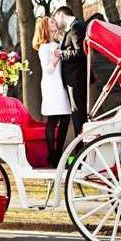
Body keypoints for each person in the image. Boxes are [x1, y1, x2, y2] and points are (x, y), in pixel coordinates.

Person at [32, 16, 71, 168]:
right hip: (51, 86)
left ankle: (57, 155)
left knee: (65, 118)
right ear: (45, 28)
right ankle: (53, 156)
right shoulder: (44, 47)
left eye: (55, 21)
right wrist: (57, 58)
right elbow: (47, 70)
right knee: (53, 120)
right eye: (52, 22)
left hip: (59, 84)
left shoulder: (56, 43)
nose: (55, 23)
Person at [52, 6, 90, 141]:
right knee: (77, 116)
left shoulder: (76, 27)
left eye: (55, 18)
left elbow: (81, 53)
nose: (55, 22)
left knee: (78, 116)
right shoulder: (74, 27)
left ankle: (82, 152)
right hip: (74, 79)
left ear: (61, 14)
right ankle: (81, 151)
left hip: (76, 79)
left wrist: (62, 54)